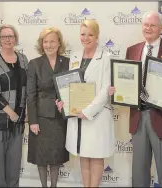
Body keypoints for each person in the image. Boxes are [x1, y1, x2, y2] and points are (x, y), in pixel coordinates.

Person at [108, 11, 162, 187]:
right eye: (145, 25)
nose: (148, 28)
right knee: (139, 171)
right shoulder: (132, 50)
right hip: (138, 116)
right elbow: (127, 80)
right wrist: (117, 90)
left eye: (152, 25)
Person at [56, 19, 114, 187]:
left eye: (90, 34)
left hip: (97, 115)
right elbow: (69, 84)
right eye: (83, 34)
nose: (86, 38)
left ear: (96, 36)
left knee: (96, 155)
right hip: (77, 114)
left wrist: (88, 111)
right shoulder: (74, 56)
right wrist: (64, 102)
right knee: (84, 154)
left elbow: (106, 89)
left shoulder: (106, 57)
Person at [26, 27, 70, 187]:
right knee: (42, 157)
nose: (49, 45)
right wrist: (33, 121)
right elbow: (30, 95)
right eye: (45, 41)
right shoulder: (34, 64)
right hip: (41, 118)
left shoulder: (67, 62)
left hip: (60, 117)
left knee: (57, 156)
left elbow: (73, 88)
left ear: (59, 43)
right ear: (41, 44)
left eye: (52, 41)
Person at [0, 24, 28, 187]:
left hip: (18, 121)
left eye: (10, 36)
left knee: (15, 162)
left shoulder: (23, 59)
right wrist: (9, 111)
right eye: (4, 37)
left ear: (15, 39)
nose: (7, 39)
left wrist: (24, 112)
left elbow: (28, 87)